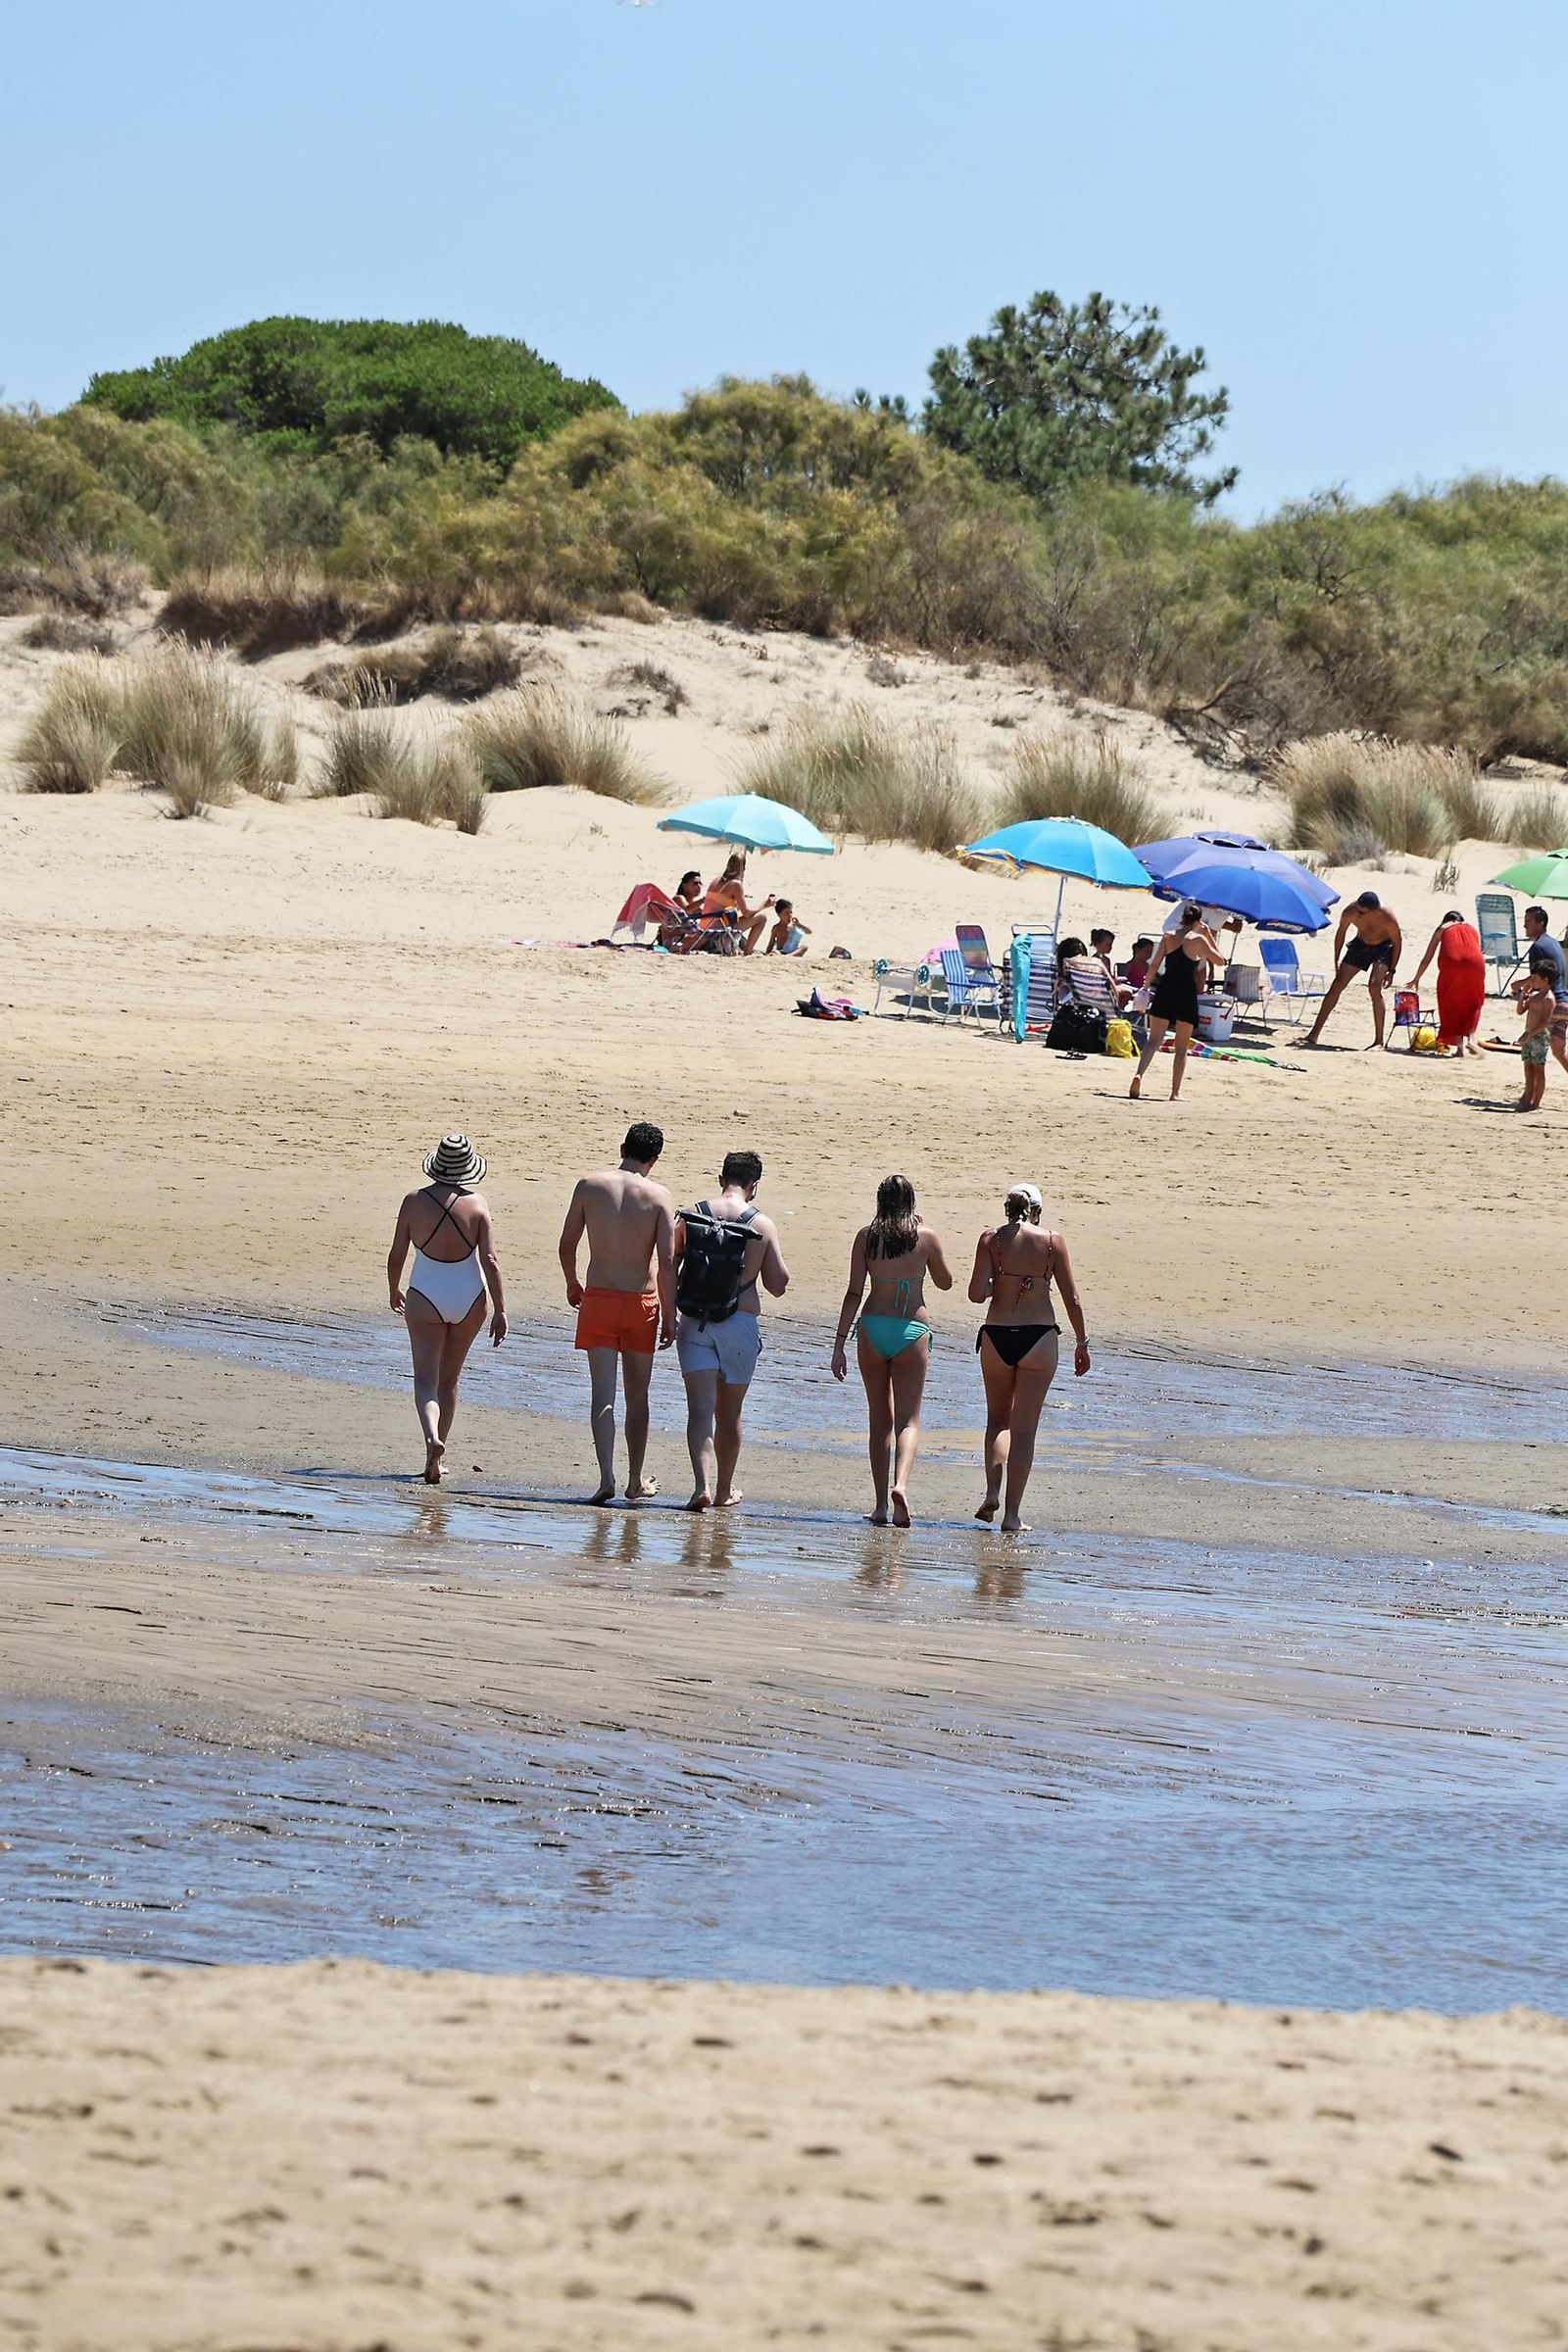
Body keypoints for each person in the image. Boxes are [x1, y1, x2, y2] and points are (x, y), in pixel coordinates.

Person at [557, 1121, 675, 1505]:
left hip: (599, 1299)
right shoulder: (659, 1198)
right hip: (641, 1302)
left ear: (622, 1146)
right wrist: (670, 1314)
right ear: (654, 1159)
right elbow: (667, 1260)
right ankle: (635, 1479)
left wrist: (573, 1283)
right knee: (638, 1396)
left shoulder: (589, 1185)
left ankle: (606, 1477)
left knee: (602, 1395)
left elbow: (567, 1244)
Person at [830, 1175, 954, 1527]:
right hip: (911, 1329)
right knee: (909, 1419)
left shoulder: (866, 1237)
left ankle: (882, 1505)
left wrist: (839, 1345)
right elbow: (945, 1282)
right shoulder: (924, 1237)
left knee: (878, 1419)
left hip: (871, 1328)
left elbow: (854, 1291)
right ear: (911, 1202)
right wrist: (925, 1238)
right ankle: (901, 1484)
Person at [968, 1183, 1090, 1534]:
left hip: (997, 1336)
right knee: (1025, 1431)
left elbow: (976, 1294)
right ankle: (1011, 1515)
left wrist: (994, 1285)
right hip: (1039, 1337)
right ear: (1036, 1210)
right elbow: (1072, 1299)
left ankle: (992, 1490)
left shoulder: (990, 1240)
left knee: (997, 1422)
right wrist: (1082, 1342)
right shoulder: (1052, 1241)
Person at [386, 1135, 506, 1487]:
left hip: (425, 1292)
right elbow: (490, 1260)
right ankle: (439, 1454)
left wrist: (393, 1289)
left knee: (425, 1380)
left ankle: (430, 1440)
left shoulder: (413, 1202)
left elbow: (397, 1254)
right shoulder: (478, 1205)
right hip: (469, 1297)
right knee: (449, 1379)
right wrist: (500, 1308)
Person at [673, 1151, 789, 1509]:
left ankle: (701, 1487)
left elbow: (668, 1263)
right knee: (730, 1413)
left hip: (694, 1320)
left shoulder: (692, 1215)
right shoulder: (762, 1225)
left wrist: (666, 1312)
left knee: (699, 1411)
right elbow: (778, 1284)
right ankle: (724, 1490)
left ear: (721, 1177)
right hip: (740, 1324)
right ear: (753, 1185)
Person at [1127, 903, 1226, 1102]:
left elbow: (1154, 965)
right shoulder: (1198, 939)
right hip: (1185, 992)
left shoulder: (1168, 936)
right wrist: (1208, 937)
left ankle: (1139, 1074)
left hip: (1166, 989)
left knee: (1153, 1040)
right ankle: (1175, 1092)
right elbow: (1220, 961)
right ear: (1198, 921)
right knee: (1181, 1047)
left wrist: (1145, 988)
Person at [1303, 892, 1403, 1048]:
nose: (1357, 913)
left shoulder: (1387, 917)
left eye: (1361, 911)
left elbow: (1397, 942)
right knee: (1337, 984)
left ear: (1373, 910)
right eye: (1356, 908)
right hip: (1361, 945)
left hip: (1383, 947)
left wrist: (1392, 970)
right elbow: (1341, 932)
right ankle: (1313, 1034)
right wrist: (1336, 958)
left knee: (1374, 988)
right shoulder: (1350, 911)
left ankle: (1379, 1042)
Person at [1408, 910, 1487, 1055]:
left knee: (1451, 1002)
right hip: (1476, 963)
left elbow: (1427, 957)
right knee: (1473, 1001)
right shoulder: (1472, 929)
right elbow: (1476, 950)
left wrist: (1417, 978)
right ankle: (1471, 1039)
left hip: (1452, 963)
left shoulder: (1443, 928)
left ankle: (1460, 1048)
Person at [1514, 906, 1568, 1080]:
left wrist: (1517, 986)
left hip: (1552, 1004)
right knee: (1559, 1051)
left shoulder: (1538, 947)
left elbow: (1536, 979)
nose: (1524, 926)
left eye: (1529, 922)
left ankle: (1530, 1097)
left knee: (1534, 1052)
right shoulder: (1552, 942)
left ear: (1540, 923)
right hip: (1564, 1003)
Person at [702, 852, 774, 956]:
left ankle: (739, 947)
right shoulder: (735, 884)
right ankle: (747, 952)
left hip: (704, 925)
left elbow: (722, 905)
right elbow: (747, 913)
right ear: (743, 868)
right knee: (762, 917)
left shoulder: (716, 880)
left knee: (741, 918)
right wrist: (765, 904)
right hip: (718, 927)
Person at [658, 870, 705, 950]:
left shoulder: (694, 904)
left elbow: (705, 915)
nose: (699, 886)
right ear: (684, 886)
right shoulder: (678, 899)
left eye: (700, 883)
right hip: (671, 940)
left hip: (683, 938)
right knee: (704, 934)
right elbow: (687, 909)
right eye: (695, 883)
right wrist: (704, 900)